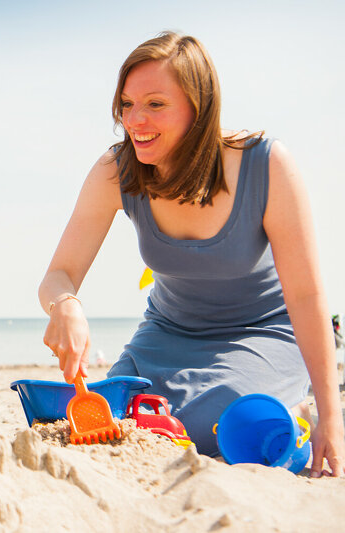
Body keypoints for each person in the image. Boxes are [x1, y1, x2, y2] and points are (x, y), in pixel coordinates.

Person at [39, 31, 344, 477]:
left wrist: (332, 416)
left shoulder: (265, 164)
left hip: (261, 332)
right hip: (166, 332)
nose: (135, 120)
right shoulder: (115, 170)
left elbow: (306, 295)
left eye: (155, 104)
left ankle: (295, 406)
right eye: (127, 104)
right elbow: (58, 275)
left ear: (199, 107)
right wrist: (65, 304)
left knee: (216, 426)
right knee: (114, 415)